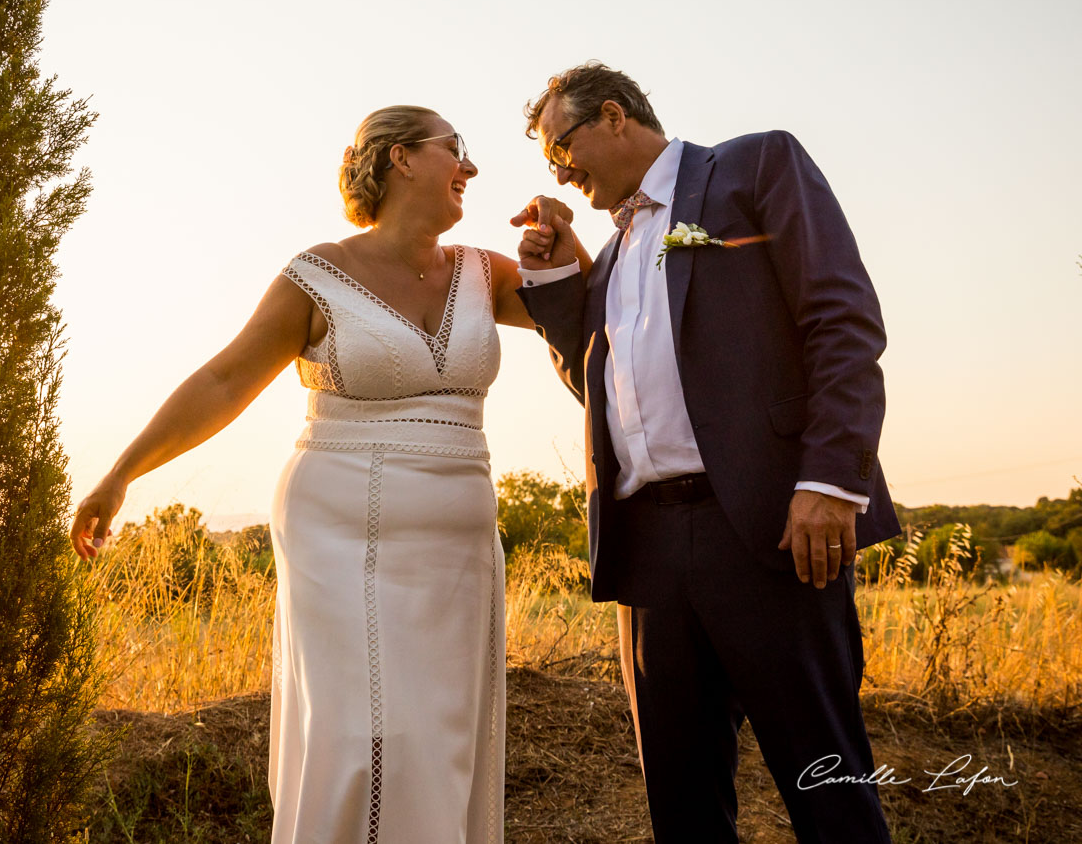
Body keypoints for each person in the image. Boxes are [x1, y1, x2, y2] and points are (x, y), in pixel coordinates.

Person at [70, 105, 588, 844]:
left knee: (440, 741)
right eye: (455, 149)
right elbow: (223, 380)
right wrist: (122, 474)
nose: (469, 168)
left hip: (458, 554)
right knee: (362, 741)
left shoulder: (485, 272)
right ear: (401, 159)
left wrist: (565, 253)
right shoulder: (319, 273)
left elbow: (592, 317)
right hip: (341, 532)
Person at [510, 62, 900, 843]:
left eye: (562, 147)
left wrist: (829, 479)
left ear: (615, 116)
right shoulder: (614, 256)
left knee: (830, 789)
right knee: (682, 807)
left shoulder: (755, 167)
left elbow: (842, 319)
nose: (559, 170)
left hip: (768, 527)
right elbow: (607, 393)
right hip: (648, 551)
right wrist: (557, 274)